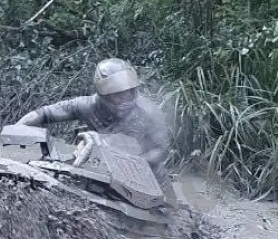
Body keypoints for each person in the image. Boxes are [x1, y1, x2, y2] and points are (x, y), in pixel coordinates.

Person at [17, 58, 173, 194]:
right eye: (117, 93)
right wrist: (17, 128)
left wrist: (131, 162)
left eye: (127, 91)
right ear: (103, 92)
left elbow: (161, 150)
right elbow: (44, 113)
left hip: (147, 177)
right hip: (101, 167)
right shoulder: (87, 105)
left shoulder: (150, 112)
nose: (124, 97)